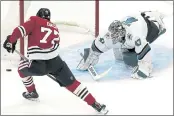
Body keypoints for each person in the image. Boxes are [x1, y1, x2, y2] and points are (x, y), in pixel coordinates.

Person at [3, 8, 108, 114]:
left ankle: (32, 93)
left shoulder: (34, 20)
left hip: (38, 65)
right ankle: (95, 104)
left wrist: (10, 41)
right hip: (56, 63)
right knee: (73, 84)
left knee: (21, 69)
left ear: (38, 15)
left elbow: (19, 31)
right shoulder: (55, 27)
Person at [77, 11, 166, 79]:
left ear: (122, 33)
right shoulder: (109, 35)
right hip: (133, 20)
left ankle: (157, 21)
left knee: (130, 61)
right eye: (113, 35)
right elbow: (97, 46)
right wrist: (90, 56)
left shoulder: (135, 35)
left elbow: (145, 54)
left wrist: (144, 69)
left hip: (148, 28)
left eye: (117, 36)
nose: (113, 38)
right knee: (120, 57)